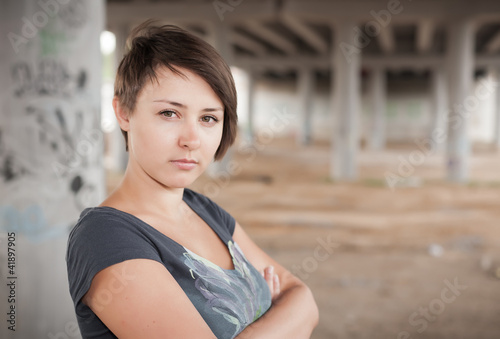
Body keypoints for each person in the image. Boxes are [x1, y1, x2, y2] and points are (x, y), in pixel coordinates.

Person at [66, 20, 318, 339]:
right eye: (170, 113)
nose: (192, 139)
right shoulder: (105, 237)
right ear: (124, 112)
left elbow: (304, 299)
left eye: (208, 118)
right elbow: (294, 312)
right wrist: (272, 316)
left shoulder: (205, 211)